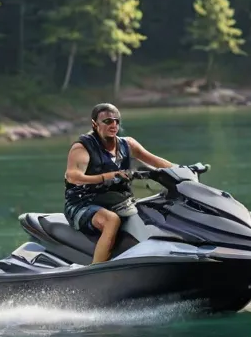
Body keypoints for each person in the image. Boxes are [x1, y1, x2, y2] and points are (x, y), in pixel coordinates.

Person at [64, 102, 175, 264]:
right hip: (83, 204)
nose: (113, 124)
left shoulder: (127, 144)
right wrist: (106, 176)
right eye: (108, 121)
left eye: (116, 120)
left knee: (155, 211)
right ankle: (96, 270)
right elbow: (73, 176)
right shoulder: (83, 148)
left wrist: (183, 170)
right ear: (95, 124)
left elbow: (156, 161)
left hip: (119, 202)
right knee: (111, 220)